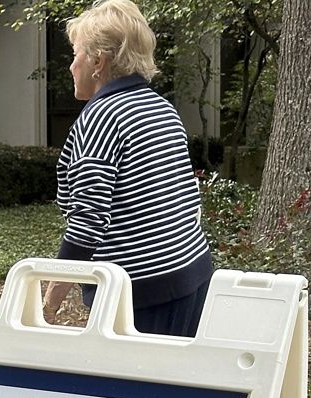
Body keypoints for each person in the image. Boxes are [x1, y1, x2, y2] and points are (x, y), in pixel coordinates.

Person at [42, 0, 212, 337]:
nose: (71, 66)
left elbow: (87, 221)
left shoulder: (100, 117)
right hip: (192, 273)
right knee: (178, 385)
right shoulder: (162, 109)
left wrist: (49, 301)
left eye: (75, 54)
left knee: (135, 389)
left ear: (97, 62)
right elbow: (185, 199)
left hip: (140, 292)